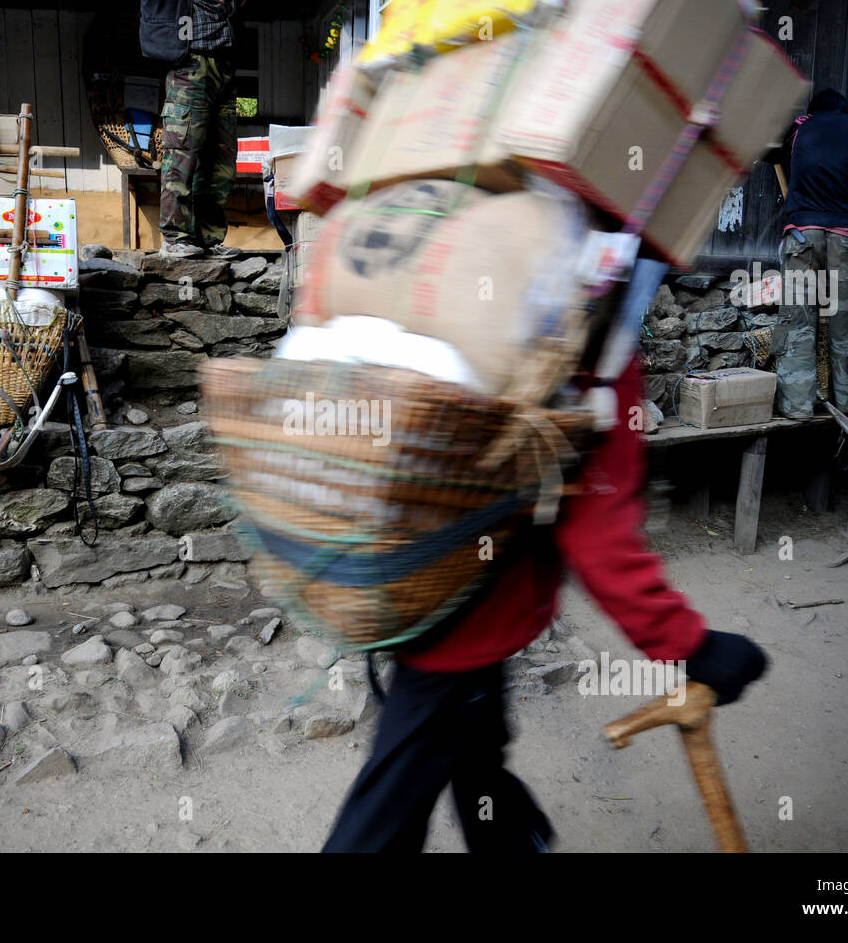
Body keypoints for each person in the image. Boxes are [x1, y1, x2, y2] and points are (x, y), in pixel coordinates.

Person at [321, 356, 768, 853]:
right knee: (388, 806)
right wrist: (692, 644)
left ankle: (512, 835)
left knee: (477, 745)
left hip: (423, 584)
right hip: (461, 613)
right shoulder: (599, 314)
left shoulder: (508, 300)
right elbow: (596, 526)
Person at [766, 89, 848, 420]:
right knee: (847, 321)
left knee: (797, 321)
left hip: (803, 232)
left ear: (813, 111)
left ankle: (797, 406)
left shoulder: (799, 127)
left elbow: (773, 153)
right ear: (847, 112)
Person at [139, 0, 248, 259]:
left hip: (224, 67)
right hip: (190, 65)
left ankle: (208, 239)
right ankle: (176, 237)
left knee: (221, 161)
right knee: (182, 155)